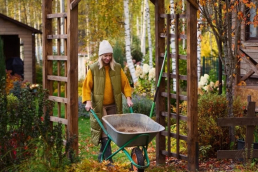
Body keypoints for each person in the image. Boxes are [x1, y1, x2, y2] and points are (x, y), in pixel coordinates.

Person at [82, 40, 133, 164]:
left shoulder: (117, 68)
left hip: (113, 104)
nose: (108, 58)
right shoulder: (94, 69)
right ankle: (109, 160)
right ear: (101, 56)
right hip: (100, 105)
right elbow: (86, 87)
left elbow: (125, 84)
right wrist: (88, 101)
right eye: (105, 55)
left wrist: (128, 98)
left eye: (110, 55)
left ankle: (102, 155)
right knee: (106, 130)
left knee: (111, 130)